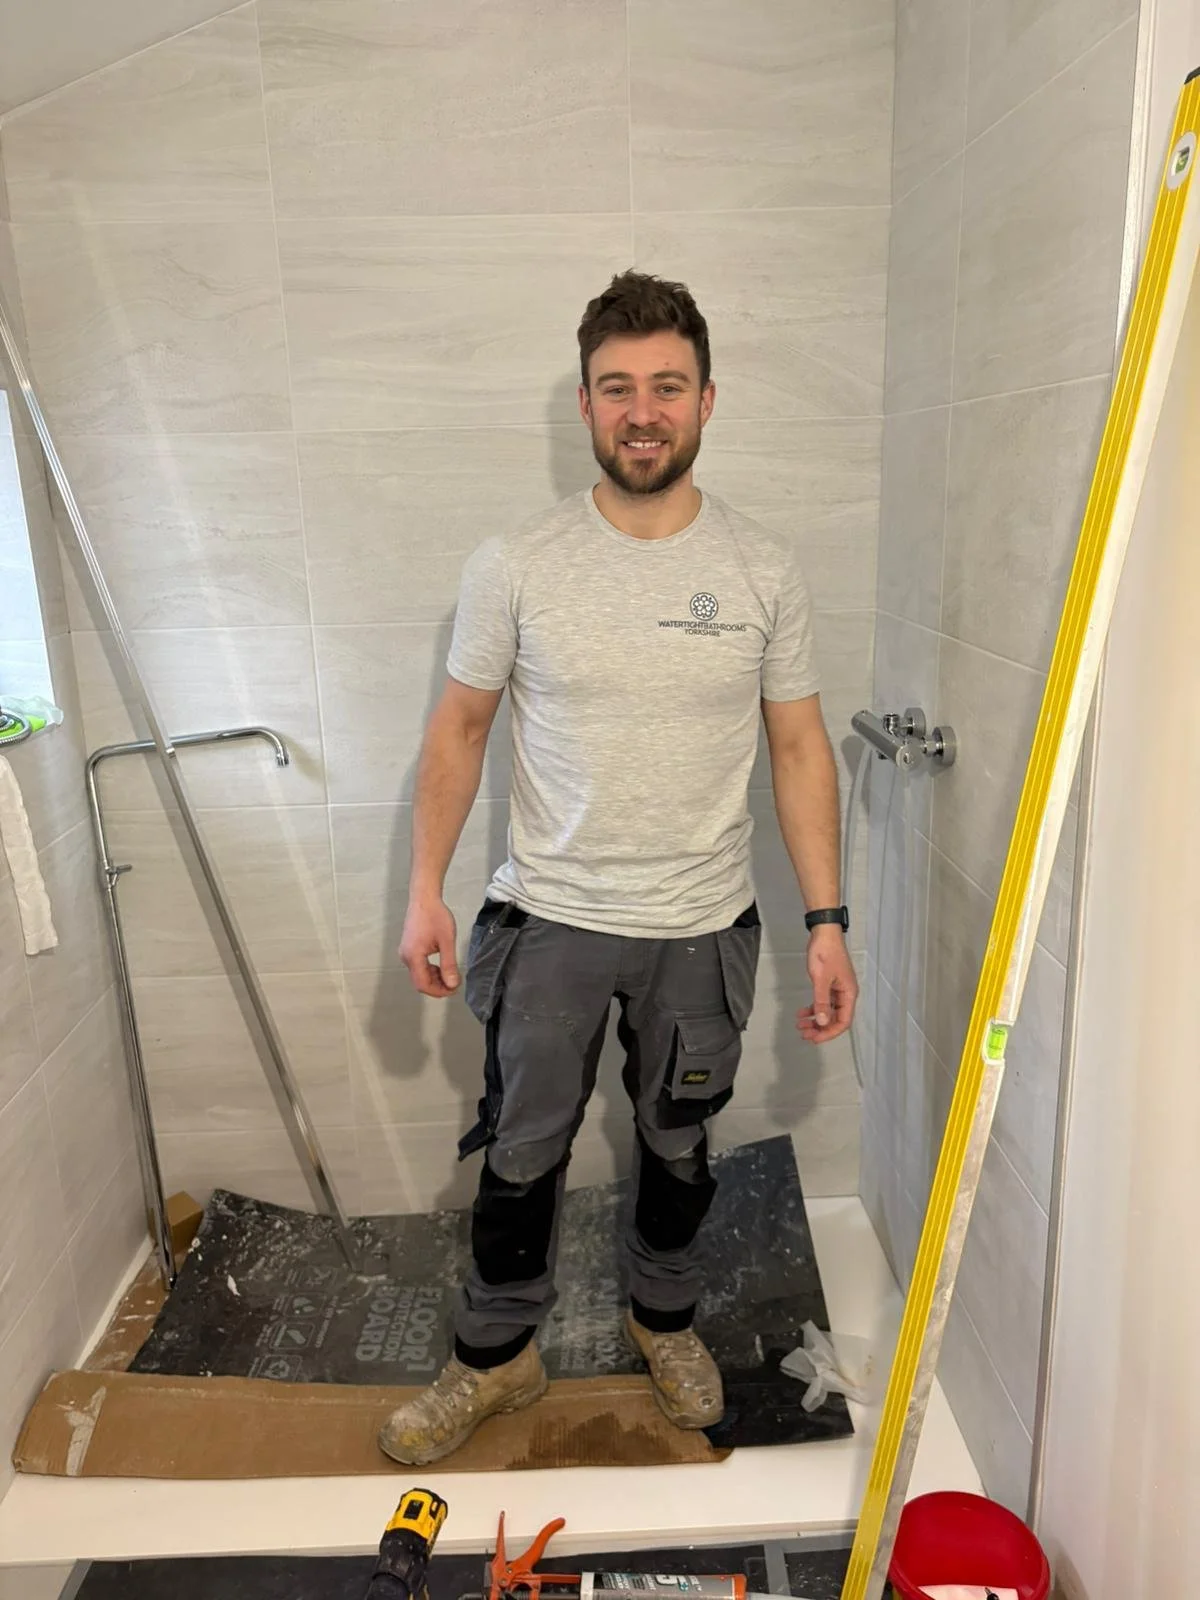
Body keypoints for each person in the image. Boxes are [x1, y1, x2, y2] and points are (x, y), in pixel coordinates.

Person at [378, 271, 858, 1467]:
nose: (643, 411)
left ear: (706, 399)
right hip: (552, 919)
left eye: (667, 386)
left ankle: (665, 1321)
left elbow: (798, 744)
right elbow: (458, 730)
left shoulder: (762, 569)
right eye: (616, 388)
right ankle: (496, 1355)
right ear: (586, 406)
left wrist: (828, 920)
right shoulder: (520, 561)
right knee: (522, 1143)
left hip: (703, 926)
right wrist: (425, 888)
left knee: (680, 1143)